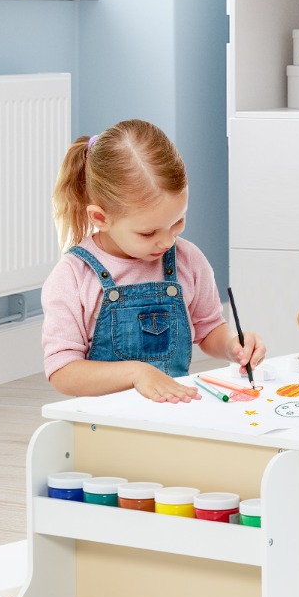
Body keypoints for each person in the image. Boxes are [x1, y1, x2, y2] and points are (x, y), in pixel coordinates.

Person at [41, 118, 265, 401]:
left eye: (178, 221)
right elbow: (63, 372)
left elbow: (209, 329)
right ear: (101, 218)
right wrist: (136, 373)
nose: (167, 241)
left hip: (172, 416)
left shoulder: (188, 260)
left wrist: (234, 346)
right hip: (104, 426)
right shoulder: (73, 276)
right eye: (147, 232)